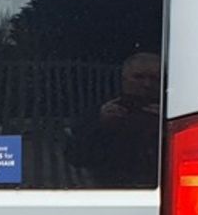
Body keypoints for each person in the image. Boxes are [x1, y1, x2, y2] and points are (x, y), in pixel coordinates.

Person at [68, 51, 161, 186]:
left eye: (154, 78)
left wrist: (165, 129)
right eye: (139, 77)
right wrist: (100, 125)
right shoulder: (101, 112)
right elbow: (75, 157)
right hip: (111, 192)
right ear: (124, 79)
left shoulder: (174, 113)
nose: (147, 84)